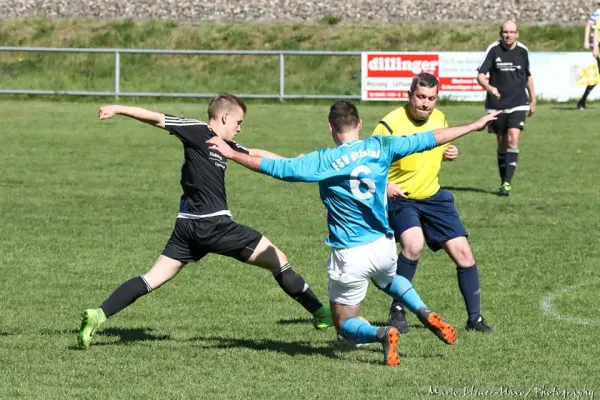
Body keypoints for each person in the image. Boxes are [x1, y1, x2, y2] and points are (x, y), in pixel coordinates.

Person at [206, 100, 500, 366]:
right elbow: (430, 138)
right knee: (387, 278)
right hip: (383, 245)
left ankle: (382, 333)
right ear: (359, 124)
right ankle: (424, 312)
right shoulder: (381, 146)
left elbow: (278, 168)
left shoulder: (324, 161)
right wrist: (473, 126)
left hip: (351, 253)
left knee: (343, 325)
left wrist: (231, 154)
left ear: (331, 127)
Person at [77, 92, 333, 349]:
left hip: (187, 228)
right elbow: (157, 118)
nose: (240, 128)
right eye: (239, 122)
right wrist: (118, 108)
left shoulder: (224, 145)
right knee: (279, 259)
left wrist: (292, 162)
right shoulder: (197, 130)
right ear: (224, 117)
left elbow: (253, 153)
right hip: (214, 225)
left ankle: (98, 315)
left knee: (151, 278)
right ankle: (321, 313)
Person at [372, 72, 493, 335]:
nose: (425, 104)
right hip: (401, 198)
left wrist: (449, 152)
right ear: (409, 95)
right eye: (420, 97)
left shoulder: (439, 119)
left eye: (431, 99)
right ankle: (398, 309)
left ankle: (475, 320)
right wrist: (385, 186)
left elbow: (439, 145)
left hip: (434, 197)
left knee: (464, 254)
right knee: (413, 244)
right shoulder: (389, 124)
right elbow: (368, 165)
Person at [476, 19, 536, 197]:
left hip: (518, 102)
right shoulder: (494, 49)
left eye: (511, 32)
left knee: (513, 139)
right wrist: (490, 88)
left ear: (517, 34)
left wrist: (533, 99)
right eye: (505, 32)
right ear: (500, 33)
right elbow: (480, 75)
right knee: (502, 143)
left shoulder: (522, 51)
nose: (508, 35)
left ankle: (508, 183)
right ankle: (504, 180)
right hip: (497, 105)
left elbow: (528, 76)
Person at [577, 4, 600, 110]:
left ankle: (582, 101)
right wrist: (588, 42)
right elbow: (590, 26)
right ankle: (582, 101)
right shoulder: (598, 13)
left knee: (597, 77)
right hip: (598, 45)